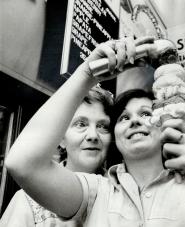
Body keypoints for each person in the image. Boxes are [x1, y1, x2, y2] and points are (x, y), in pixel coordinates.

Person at [4, 36, 185, 227]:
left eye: (146, 114)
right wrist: (86, 74)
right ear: (116, 138)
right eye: (124, 118)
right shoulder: (95, 191)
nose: (135, 121)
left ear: (164, 124)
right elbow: (22, 164)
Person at [0, 85, 114, 226]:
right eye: (81, 124)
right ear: (61, 139)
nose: (93, 135)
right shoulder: (27, 200)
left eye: (102, 126)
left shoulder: (122, 193)